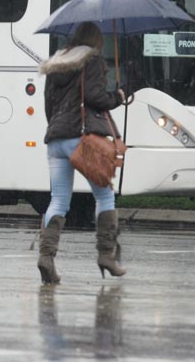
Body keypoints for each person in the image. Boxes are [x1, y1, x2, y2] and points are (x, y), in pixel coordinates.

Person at [38, 21, 127, 284]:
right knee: (105, 196)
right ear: (96, 42)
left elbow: (49, 104)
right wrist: (117, 97)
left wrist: (58, 126)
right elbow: (95, 97)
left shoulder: (56, 63)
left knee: (59, 200)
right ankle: (106, 256)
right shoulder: (93, 61)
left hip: (56, 138)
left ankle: (46, 258)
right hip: (82, 138)